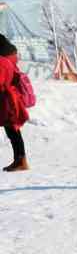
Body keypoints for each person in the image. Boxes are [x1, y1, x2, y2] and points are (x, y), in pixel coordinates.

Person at [0, 35, 30, 172]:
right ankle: (20, 160)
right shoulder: (9, 59)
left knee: (12, 130)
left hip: (7, 100)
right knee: (12, 130)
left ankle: (21, 161)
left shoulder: (2, 62)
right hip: (10, 99)